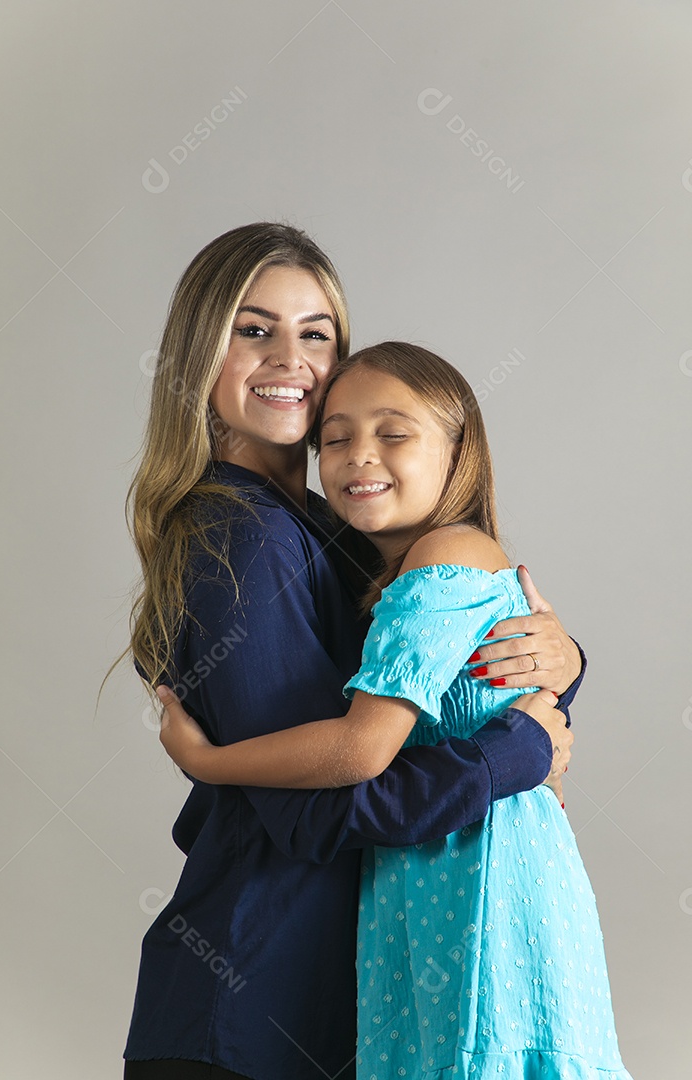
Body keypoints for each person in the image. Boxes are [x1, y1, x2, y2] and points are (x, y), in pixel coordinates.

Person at [119, 223, 583, 1080]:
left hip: (324, 1018)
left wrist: (556, 658)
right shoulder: (241, 534)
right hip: (248, 1015)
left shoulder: (333, 528)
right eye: (253, 329)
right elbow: (316, 812)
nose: (289, 358)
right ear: (197, 356)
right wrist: (513, 753)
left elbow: (436, 674)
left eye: (316, 333)